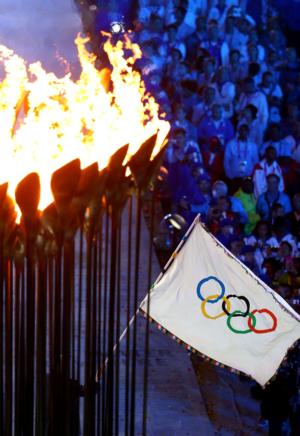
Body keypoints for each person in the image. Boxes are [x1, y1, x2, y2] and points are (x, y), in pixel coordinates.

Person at [224, 124, 258, 188]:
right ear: (238, 132)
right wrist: (229, 175)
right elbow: (226, 160)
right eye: (241, 130)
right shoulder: (231, 144)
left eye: (245, 131)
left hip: (248, 177)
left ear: (248, 132)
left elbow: (255, 161)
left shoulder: (253, 145)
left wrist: (253, 176)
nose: (243, 133)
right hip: (234, 177)